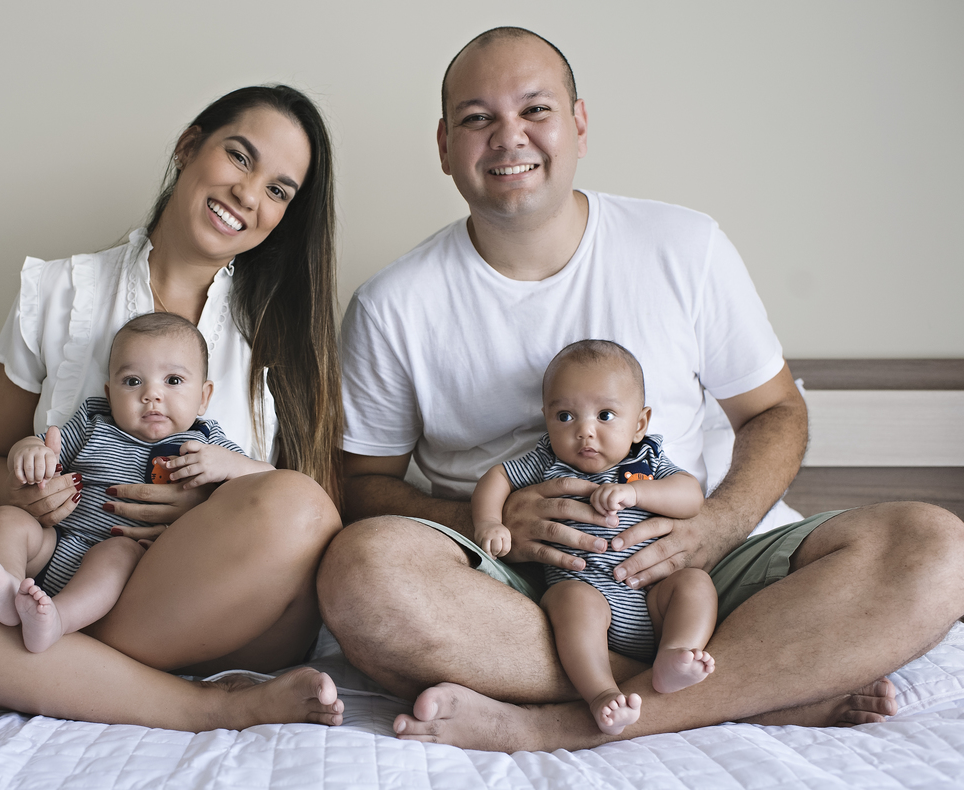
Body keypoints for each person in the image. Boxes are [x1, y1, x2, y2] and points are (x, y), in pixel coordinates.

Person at [318, 27, 964, 752]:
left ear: (578, 123)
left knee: (935, 546)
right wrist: (483, 523)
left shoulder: (684, 245)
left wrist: (717, 524)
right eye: (477, 118)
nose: (509, 136)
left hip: (702, 570)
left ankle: (560, 724)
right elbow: (361, 485)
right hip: (515, 593)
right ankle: (756, 690)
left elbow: (775, 411)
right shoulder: (393, 304)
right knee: (359, 572)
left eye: (535, 109)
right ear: (445, 145)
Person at [0, 84, 348, 731]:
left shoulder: (284, 331)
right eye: (240, 157)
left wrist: (210, 503)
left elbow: (298, 511)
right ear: (188, 148)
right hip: (62, 567)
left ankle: (0, 671)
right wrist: (25, 494)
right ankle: (155, 694)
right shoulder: (56, 290)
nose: (248, 193)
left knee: (301, 508)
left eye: (278, 190)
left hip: (208, 605)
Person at [0, 312, 274, 654]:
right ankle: (5, 589)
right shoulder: (93, 423)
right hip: (54, 544)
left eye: (172, 380)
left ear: (203, 396)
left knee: (118, 552)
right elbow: (38, 445)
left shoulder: (206, 443)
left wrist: (234, 465)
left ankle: (57, 620)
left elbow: (269, 485)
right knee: (7, 518)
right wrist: (28, 453)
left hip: (124, 572)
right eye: (132, 381)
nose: (152, 394)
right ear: (110, 394)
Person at [472, 340, 713, 736]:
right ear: (547, 420)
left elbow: (690, 495)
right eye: (565, 416)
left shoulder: (647, 460)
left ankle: (675, 655)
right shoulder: (548, 460)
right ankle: (601, 693)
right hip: (587, 594)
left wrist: (637, 493)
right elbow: (497, 477)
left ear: (639, 424)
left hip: (653, 597)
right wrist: (488, 522)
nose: (584, 431)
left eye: (605, 415)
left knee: (695, 583)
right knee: (569, 599)